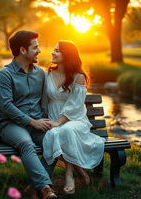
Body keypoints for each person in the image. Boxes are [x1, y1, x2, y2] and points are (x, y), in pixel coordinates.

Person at [0, 30, 57, 199]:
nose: (39, 51)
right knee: (26, 144)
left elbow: (49, 99)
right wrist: (32, 122)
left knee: (55, 142)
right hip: (12, 126)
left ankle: (33, 187)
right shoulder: (5, 74)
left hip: (37, 124)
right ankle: (45, 188)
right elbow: (7, 106)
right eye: (35, 47)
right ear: (23, 50)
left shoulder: (41, 73)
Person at [42, 41, 105, 195]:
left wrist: (58, 122)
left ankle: (69, 176)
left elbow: (75, 106)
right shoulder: (48, 74)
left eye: (57, 50)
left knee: (66, 130)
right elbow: (44, 100)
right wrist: (46, 119)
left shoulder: (78, 77)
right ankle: (81, 172)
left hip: (75, 120)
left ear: (68, 55)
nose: (53, 53)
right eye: (53, 50)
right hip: (54, 117)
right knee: (55, 133)